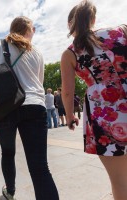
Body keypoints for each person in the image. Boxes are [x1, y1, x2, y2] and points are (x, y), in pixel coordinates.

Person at [0, 16, 59, 200]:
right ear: (26, 30)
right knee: (40, 167)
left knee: (8, 153)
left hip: (6, 108)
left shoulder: (0, 45)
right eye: (33, 28)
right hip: (34, 105)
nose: (35, 31)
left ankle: (10, 192)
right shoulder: (37, 53)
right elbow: (38, 84)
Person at [60, 1, 127, 199]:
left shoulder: (70, 53)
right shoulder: (121, 31)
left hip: (104, 115)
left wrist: (70, 116)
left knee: (120, 181)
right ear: (93, 19)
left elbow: (67, 92)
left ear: (71, 24)